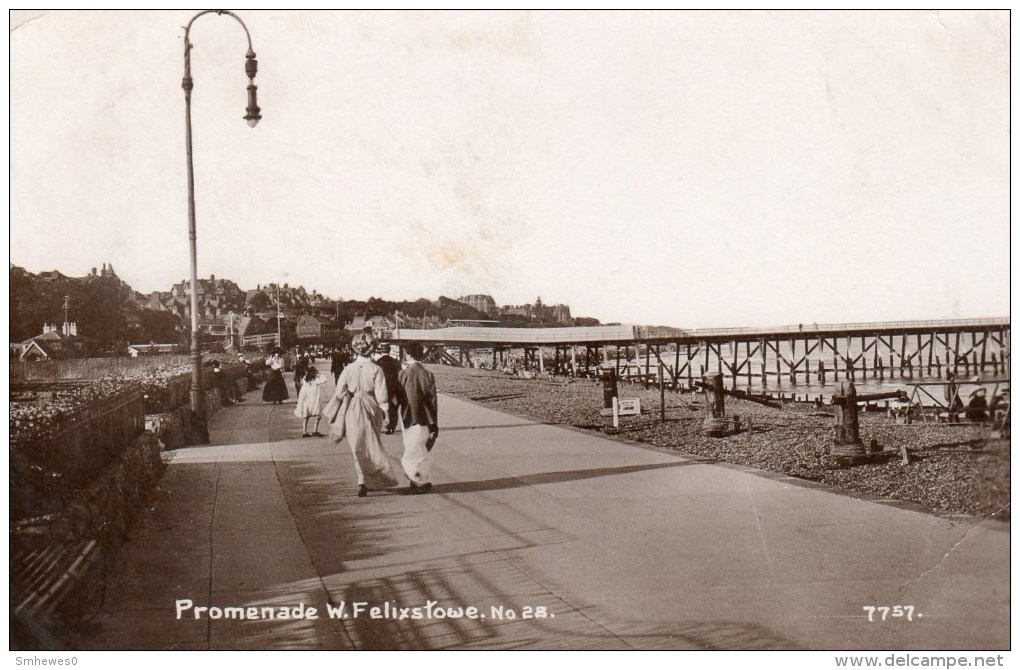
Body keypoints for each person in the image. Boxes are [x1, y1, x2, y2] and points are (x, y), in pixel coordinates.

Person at [332, 332, 399, 497]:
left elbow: (339, 392)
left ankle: (362, 480)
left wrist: (351, 393)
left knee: (357, 446)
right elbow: (382, 395)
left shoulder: (348, 369)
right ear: (372, 349)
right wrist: (387, 414)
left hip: (353, 408)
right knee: (372, 443)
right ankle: (371, 478)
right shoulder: (376, 369)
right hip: (371, 405)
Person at [395, 342, 439, 494]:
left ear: (408, 354)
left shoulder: (403, 374)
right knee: (420, 449)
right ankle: (419, 479)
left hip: (407, 415)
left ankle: (416, 479)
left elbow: (397, 398)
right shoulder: (428, 375)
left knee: (411, 447)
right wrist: (435, 423)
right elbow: (433, 401)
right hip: (425, 416)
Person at [374, 344, 401, 434]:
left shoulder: (379, 362)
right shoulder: (395, 362)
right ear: (389, 351)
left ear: (382, 351)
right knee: (393, 407)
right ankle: (392, 426)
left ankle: (387, 423)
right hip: (393, 387)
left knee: (384, 406)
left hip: (383, 387)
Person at [294, 366, 328, 437]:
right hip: (314, 401)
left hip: (307, 401)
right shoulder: (316, 380)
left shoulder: (305, 381)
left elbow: (302, 392)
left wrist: (301, 401)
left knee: (306, 416)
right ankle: (314, 430)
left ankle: (304, 431)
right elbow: (325, 379)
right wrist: (319, 373)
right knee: (318, 416)